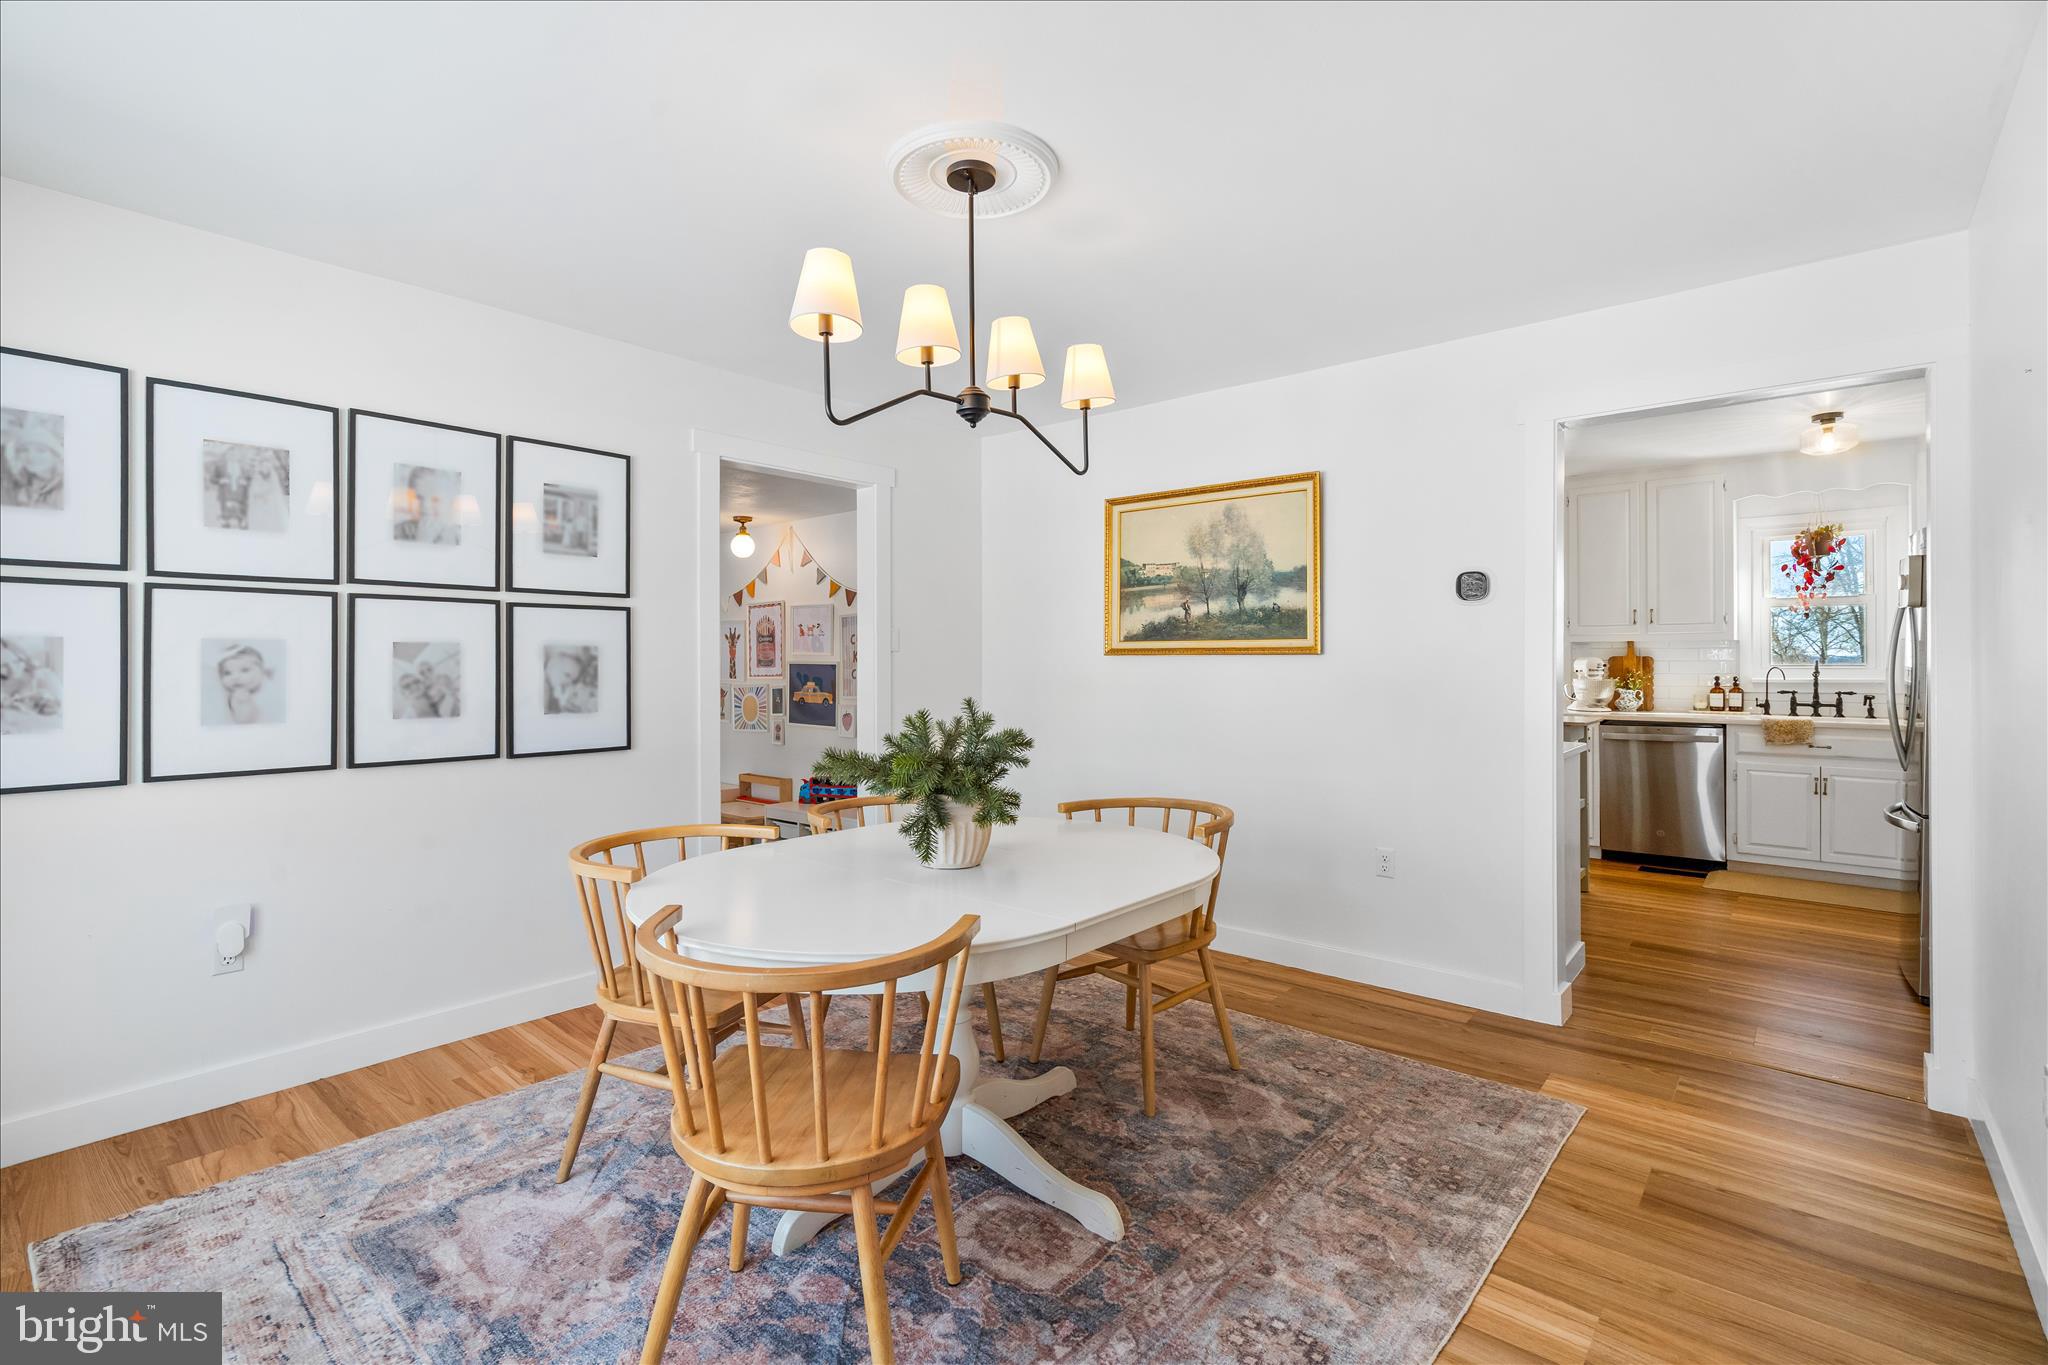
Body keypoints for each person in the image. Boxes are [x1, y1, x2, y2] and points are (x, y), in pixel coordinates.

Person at [215, 643, 277, 724]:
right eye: (227, 673)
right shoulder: (239, 696)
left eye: (245, 670)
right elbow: (243, 721)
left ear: (262, 671)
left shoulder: (270, 684)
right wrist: (243, 702)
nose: (235, 677)